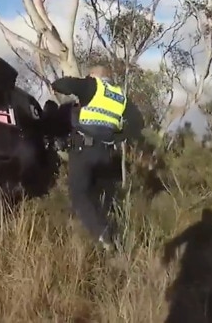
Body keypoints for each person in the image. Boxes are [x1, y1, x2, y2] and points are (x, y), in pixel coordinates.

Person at [51, 65, 144, 251]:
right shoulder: (120, 97)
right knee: (102, 199)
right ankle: (113, 244)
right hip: (106, 154)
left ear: (95, 76)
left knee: (79, 195)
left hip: (84, 150)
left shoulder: (93, 86)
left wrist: (79, 84)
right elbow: (138, 123)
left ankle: (104, 236)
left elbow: (59, 84)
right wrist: (118, 137)